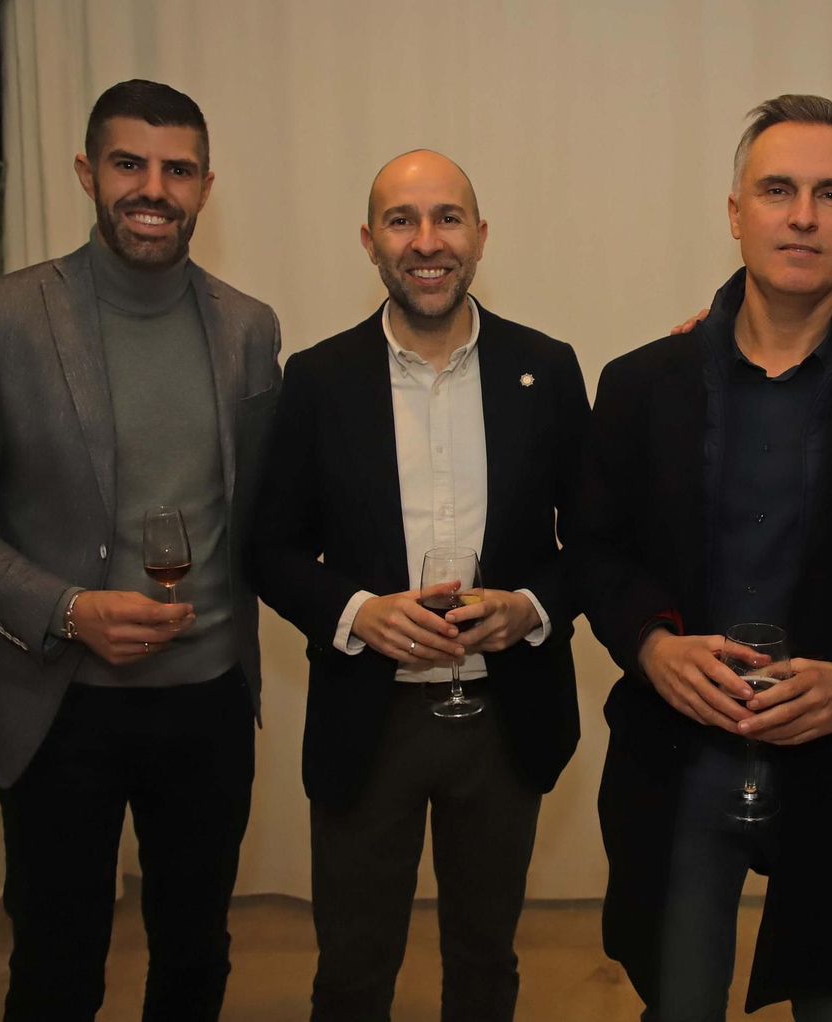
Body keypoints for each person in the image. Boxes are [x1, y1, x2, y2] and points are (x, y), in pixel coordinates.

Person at [572, 94, 832, 1020]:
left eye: (830, 194)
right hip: (680, 765)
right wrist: (652, 645)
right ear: (735, 212)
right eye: (778, 190)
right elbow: (595, 548)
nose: (803, 215)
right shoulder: (640, 386)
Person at [0, 79, 281, 1021]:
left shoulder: (248, 326)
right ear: (86, 172)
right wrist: (68, 609)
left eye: (177, 169)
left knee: (195, 953)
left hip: (209, 706)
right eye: (128, 164)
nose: (153, 188)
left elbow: (271, 501)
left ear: (205, 185)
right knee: (57, 965)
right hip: (60, 705)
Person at [251, 149, 588, 1021]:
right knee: (354, 972)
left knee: (485, 964)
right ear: (369, 241)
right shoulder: (319, 380)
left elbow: (596, 542)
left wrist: (531, 608)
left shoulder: (546, 370)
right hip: (372, 719)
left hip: (503, 717)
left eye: (448, 218)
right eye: (403, 220)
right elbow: (270, 546)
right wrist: (359, 612)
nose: (426, 241)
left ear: (480, 237)